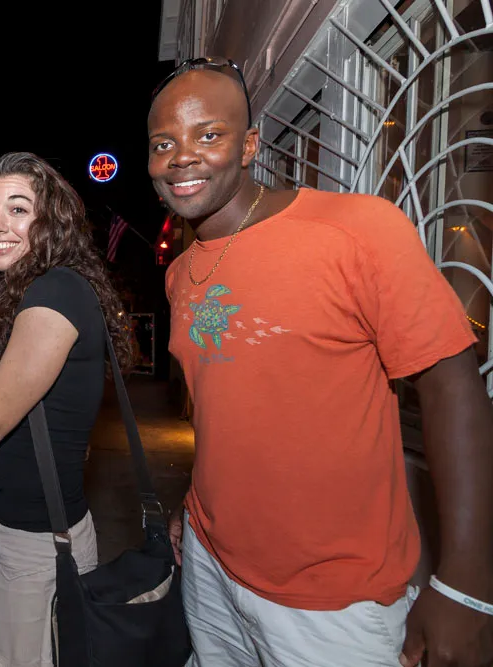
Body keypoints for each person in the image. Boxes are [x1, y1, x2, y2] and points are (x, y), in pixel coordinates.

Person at [148, 57, 493, 667]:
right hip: (209, 562)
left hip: (333, 602)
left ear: (249, 145)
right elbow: (228, 407)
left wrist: (466, 583)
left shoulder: (356, 230)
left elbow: (452, 385)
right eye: (163, 143)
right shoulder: (180, 274)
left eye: (208, 134)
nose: (182, 157)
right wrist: (194, 502)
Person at [0, 151, 132, 667]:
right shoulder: (31, 289)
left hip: (35, 545)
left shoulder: (54, 291)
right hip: (15, 533)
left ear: (51, 221)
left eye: (18, 209)